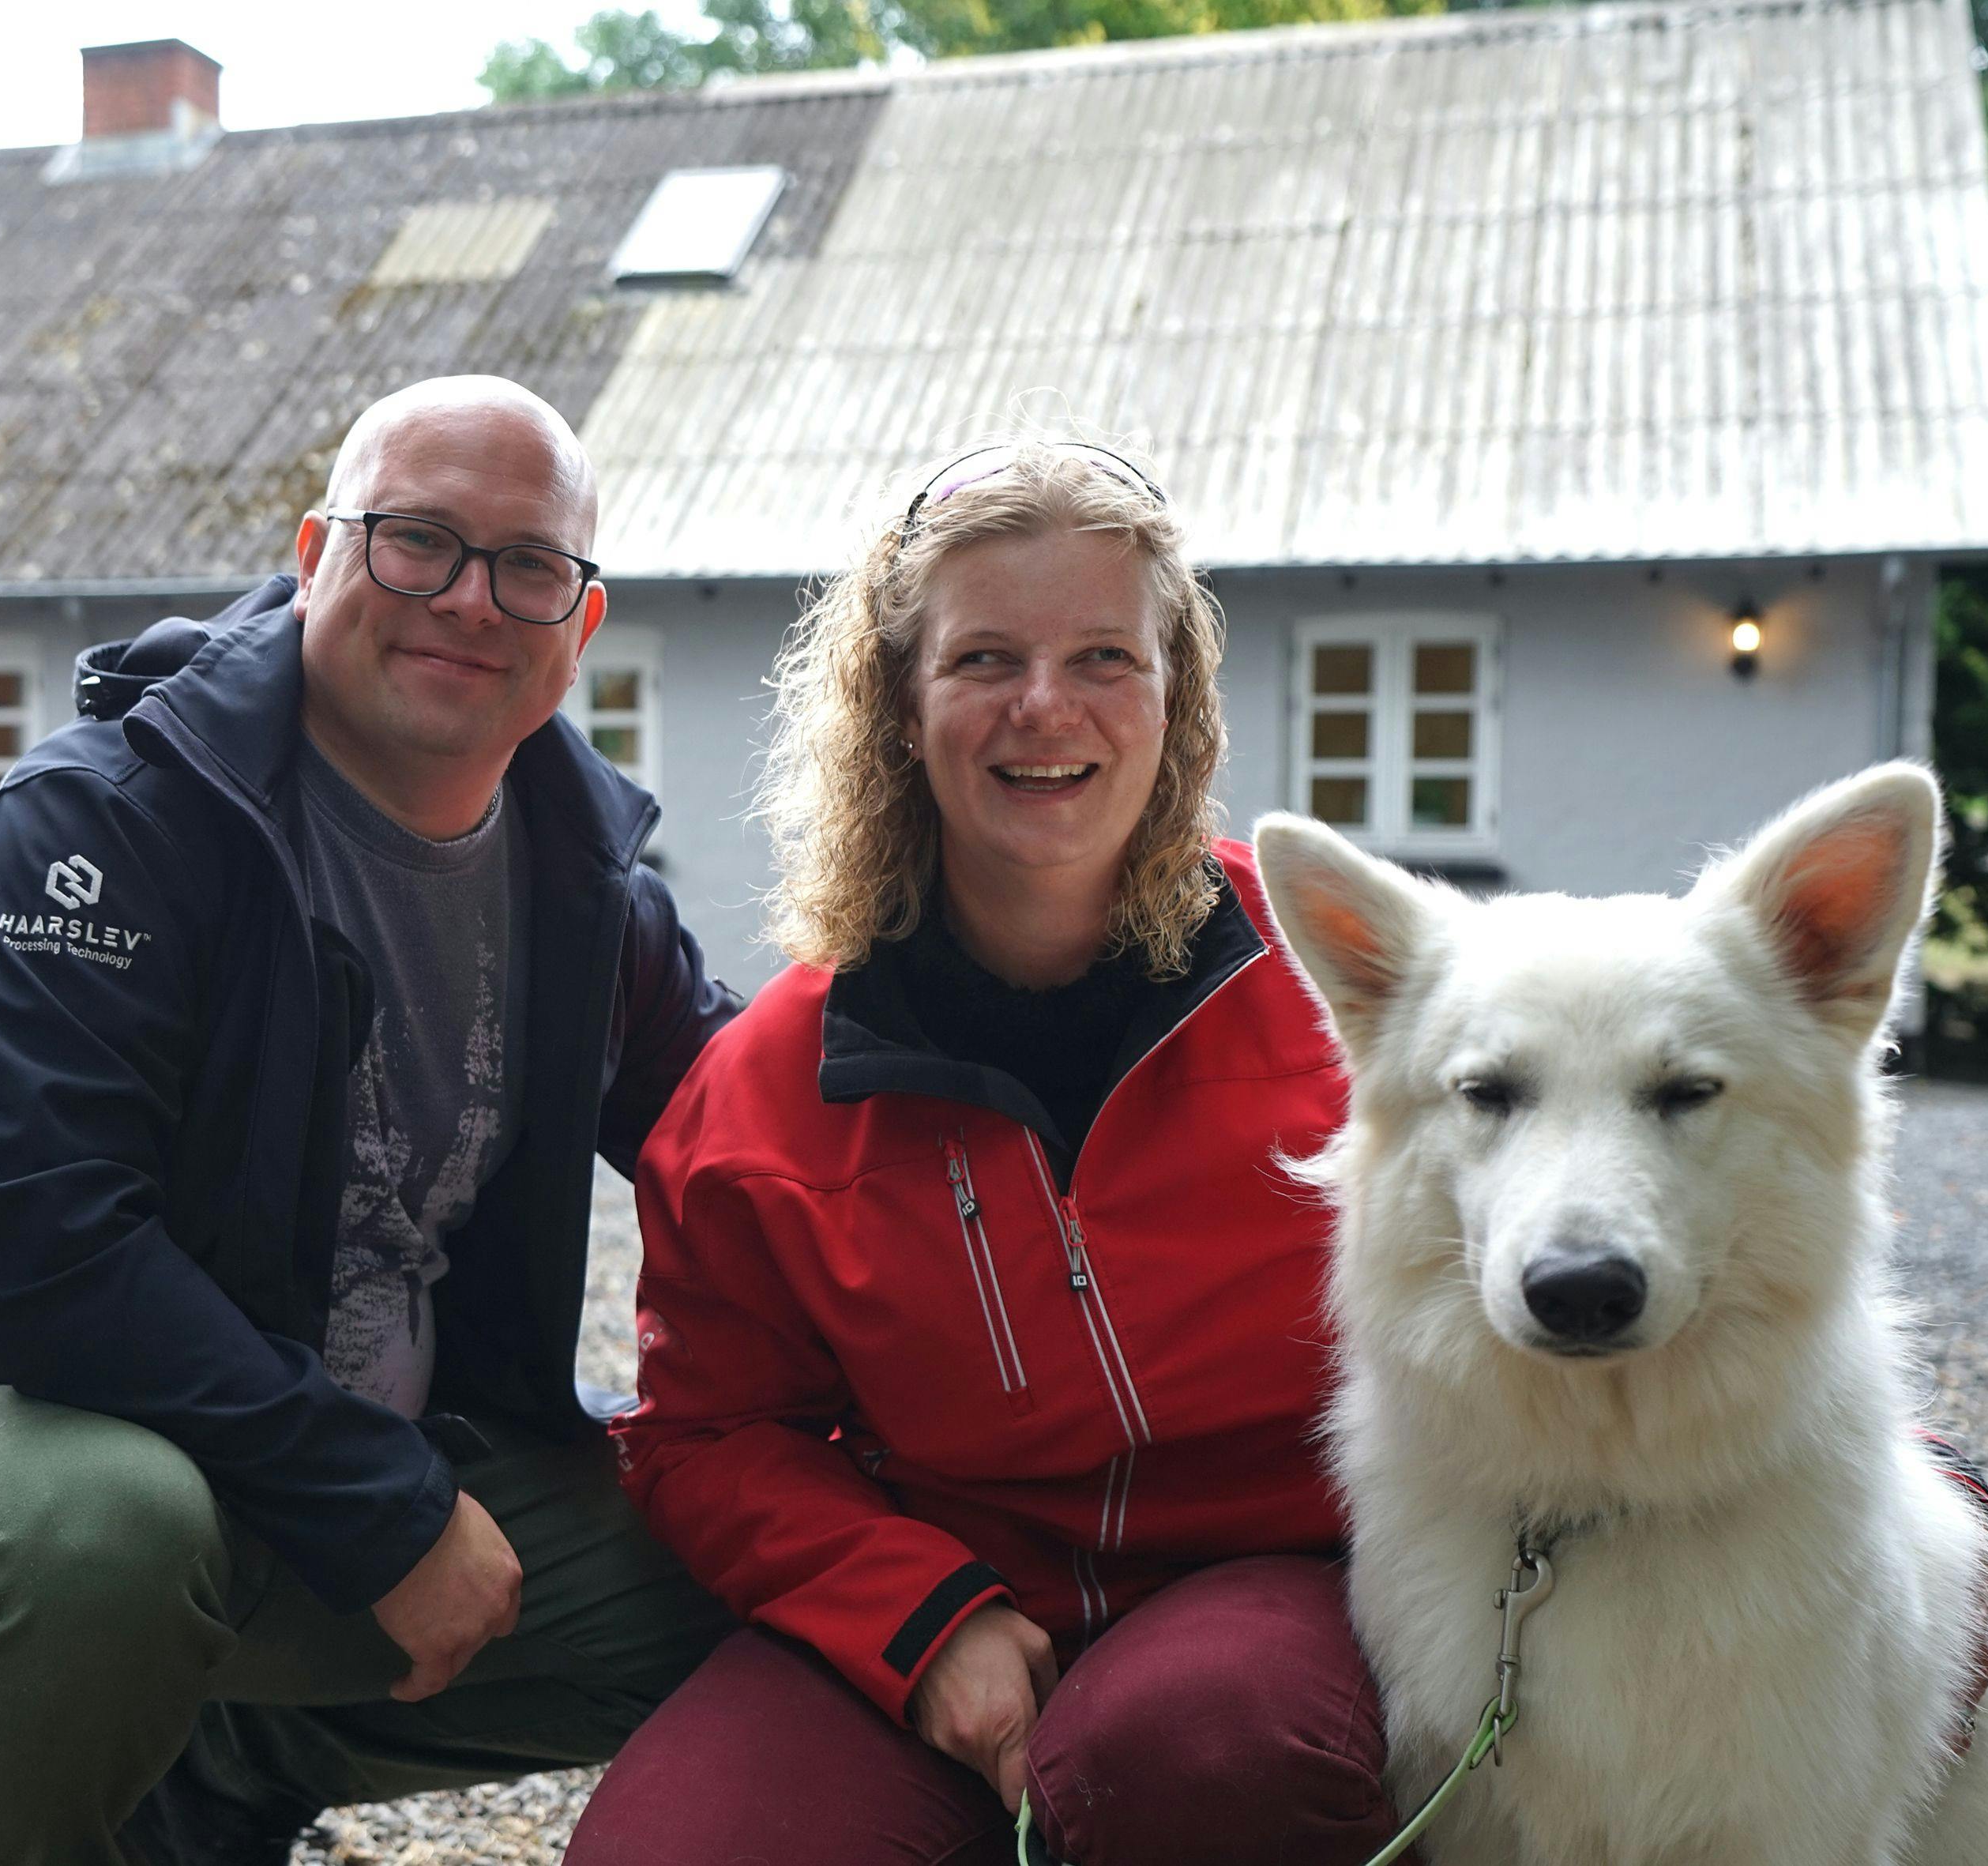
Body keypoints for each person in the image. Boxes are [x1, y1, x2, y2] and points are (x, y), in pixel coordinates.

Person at [0, 376, 740, 1866]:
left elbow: (761, 1143)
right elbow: (30, 1244)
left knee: (777, 1569)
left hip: (355, 1464)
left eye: (528, 564)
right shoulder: (111, 821)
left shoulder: (582, 883)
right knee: (98, 1540)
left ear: (578, 623)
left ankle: (196, 1764)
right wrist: (386, 1514)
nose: (468, 600)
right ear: (312, 553)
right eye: (415, 540)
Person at [564, 439, 1397, 1866]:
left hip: (1276, 1582)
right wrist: (916, 1616)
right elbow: (706, 1433)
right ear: (898, 703)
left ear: (1173, 692)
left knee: (1193, 1751)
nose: (1043, 709)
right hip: (949, 1583)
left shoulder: (1350, 991)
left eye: (1101, 657)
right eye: (982, 659)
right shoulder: (765, 1091)